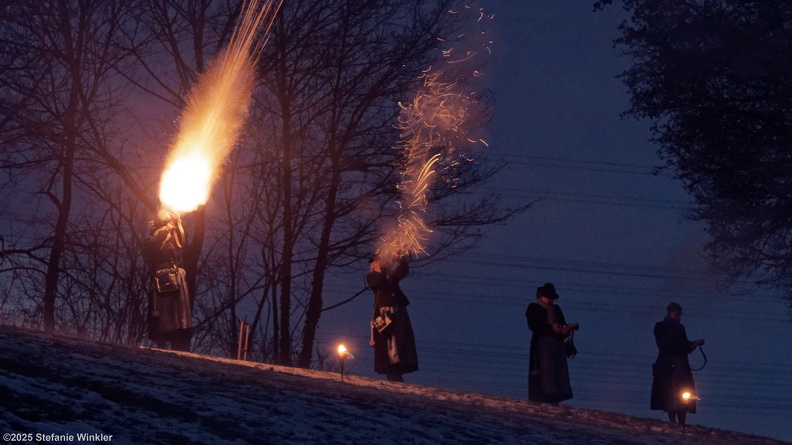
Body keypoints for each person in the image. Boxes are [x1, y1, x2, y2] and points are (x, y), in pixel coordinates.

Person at [142, 212, 193, 351]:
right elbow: (153, 248)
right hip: (163, 279)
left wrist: (178, 221)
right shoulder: (150, 242)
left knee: (178, 315)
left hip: (177, 277)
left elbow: (184, 237)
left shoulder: (172, 242)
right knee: (162, 314)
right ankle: (161, 345)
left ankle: (177, 345)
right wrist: (165, 229)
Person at [650, 302, 704, 425]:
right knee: (670, 393)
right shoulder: (662, 327)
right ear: (670, 312)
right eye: (676, 313)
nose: (678, 316)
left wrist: (693, 345)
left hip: (678, 365)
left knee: (681, 393)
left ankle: (681, 422)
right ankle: (674, 422)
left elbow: (682, 345)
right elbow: (667, 345)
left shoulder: (679, 328)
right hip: (670, 365)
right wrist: (690, 345)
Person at [367, 254, 418, 382]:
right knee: (388, 344)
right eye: (376, 262)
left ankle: (398, 374)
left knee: (400, 343)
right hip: (384, 314)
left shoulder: (390, 276)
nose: (378, 264)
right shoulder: (372, 277)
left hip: (398, 313)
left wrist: (402, 260)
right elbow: (379, 281)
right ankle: (392, 375)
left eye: (381, 261)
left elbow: (400, 273)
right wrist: (386, 269)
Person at [526, 282, 579, 404]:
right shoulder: (534, 308)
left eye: (551, 298)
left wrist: (566, 329)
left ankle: (555, 397)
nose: (550, 300)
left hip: (557, 346)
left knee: (557, 371)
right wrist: (551, 328)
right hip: (542, 345)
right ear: (540, 296)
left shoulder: (556, 309)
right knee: (542, 371)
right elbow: (534, 325)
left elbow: (562, 324)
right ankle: (541, 397)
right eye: (548, 297)